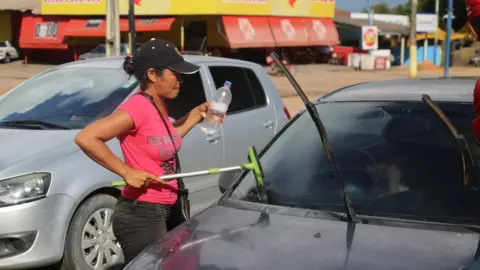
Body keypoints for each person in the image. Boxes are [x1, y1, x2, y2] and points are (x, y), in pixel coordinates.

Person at [74, 38, 224, 266]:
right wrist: (127, 172)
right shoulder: (137, 107)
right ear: (153, 74)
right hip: (140, 214)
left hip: (167, 206)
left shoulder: (158, 106)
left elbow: (165, 141)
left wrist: (194, 116)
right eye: (175, 73)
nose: (181, 80)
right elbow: (87, 137)